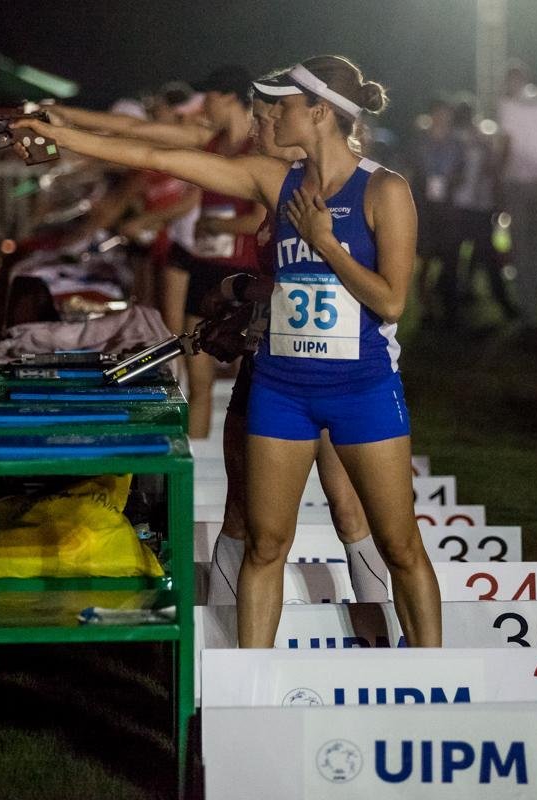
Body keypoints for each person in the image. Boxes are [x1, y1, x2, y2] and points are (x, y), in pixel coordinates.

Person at [12, 55, 442, 647]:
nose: (269, 113)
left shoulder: (385, 190)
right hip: (281, 390)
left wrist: (327, 244)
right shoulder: (275, 181)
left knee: (399, 544)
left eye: (282, 104)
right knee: (265, 544)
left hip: (362, 390)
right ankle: (251, 690)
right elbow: (157, 157)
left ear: (318, 112)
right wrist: (58, 135)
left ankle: (433, 681)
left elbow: (392, 303)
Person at [203, 75, 390, 606]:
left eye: (271, 113)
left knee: (349, 509)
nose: (263, 123)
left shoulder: (352, 185)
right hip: (272, 368)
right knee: (245, 515)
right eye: (260, 115)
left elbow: (363, 288)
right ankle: (223, 659)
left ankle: (383, 643)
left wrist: (237, 286)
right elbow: (290, 282)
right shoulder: (275, 183)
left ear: (315, 114)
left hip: (341, 369)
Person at [48, 66, 259, 439]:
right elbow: (134, 133)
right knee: (197, 373)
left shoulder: (260, 149)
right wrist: (61, 118)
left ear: (229, 96)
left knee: (252, 386)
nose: (203, 104)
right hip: (203, 268)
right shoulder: (205, 138)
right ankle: (190, 467)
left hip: (246, 276)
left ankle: (251, 467)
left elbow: (262, 219)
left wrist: (217, 226)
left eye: (208, 96)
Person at [497, 61, 537, 328]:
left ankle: (528, 310)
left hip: (519, 182)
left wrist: (498, 176)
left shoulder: (507, 106)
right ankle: (531, 308)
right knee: (534, 246)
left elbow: (506, 143)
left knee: (523, 246)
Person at [449, 96, 515, 321]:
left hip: (478, 205)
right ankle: (454, 304)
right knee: (461, 256)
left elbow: (493, 171)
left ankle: (470, 300)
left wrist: (498, 201)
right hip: (463, 205)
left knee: (484, 254)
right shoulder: (457, 140)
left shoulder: (481, 139)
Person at [409, 98, 464, 325]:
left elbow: (462, 171)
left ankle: (449, 306)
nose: (443, 118)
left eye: (447, 114)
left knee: (450, 257)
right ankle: (426, 308)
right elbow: (411, 172)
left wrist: (452, 182)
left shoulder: (456, 144)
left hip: (448, 208)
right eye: (439, 113)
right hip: (425, 208)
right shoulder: (419, 143)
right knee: (426, 258)